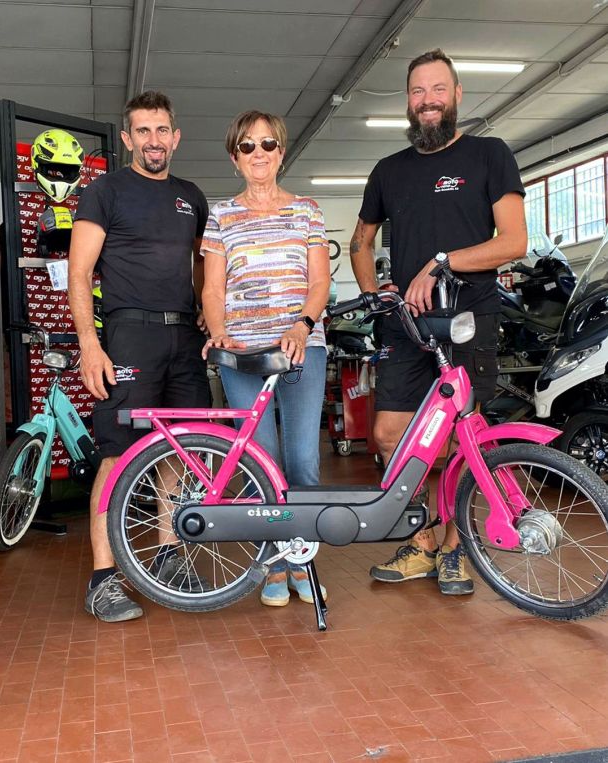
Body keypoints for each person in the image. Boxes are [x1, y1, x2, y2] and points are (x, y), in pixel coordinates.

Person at [350, 49, 527, 595]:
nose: (427, 100)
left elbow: (513, 242)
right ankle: (425, 538)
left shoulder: (489, 154)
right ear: (408, 101)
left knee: (460, 437)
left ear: (456, 96)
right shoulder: (389, 170)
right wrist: (373, 293)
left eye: (437, 89)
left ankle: (452, 547)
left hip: (469, 318)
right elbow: (360, 242)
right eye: (417, 92)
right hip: (407, 325)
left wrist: (443, 261)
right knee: (390, 435)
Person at [68, 91, 211, 622]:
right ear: (128, 139)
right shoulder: (104, 191)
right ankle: (103, 579)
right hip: (129, 336)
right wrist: (90, 344)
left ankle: (169, 554)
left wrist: (207, 307)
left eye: (162, 130)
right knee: (117, 452)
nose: (154, 140)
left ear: (176, 137)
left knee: (179, 448)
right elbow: (80, 272)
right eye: (143, 131)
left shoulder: (191, 196)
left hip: (184, 340)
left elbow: (203, 261)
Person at [201, 110, 330, 607]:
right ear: (235, 158)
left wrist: (302, 325)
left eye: (268, 144)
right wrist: (219, 331)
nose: (259, 153)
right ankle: (274, 564)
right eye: (248, 146)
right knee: (261, 460)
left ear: (282, 152)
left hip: (301, 348)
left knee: (302, 460)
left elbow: (319, 283)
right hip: (242, 354)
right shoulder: (221, 216)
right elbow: (213, 289)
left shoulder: (307, 211)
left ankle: (303, 561)